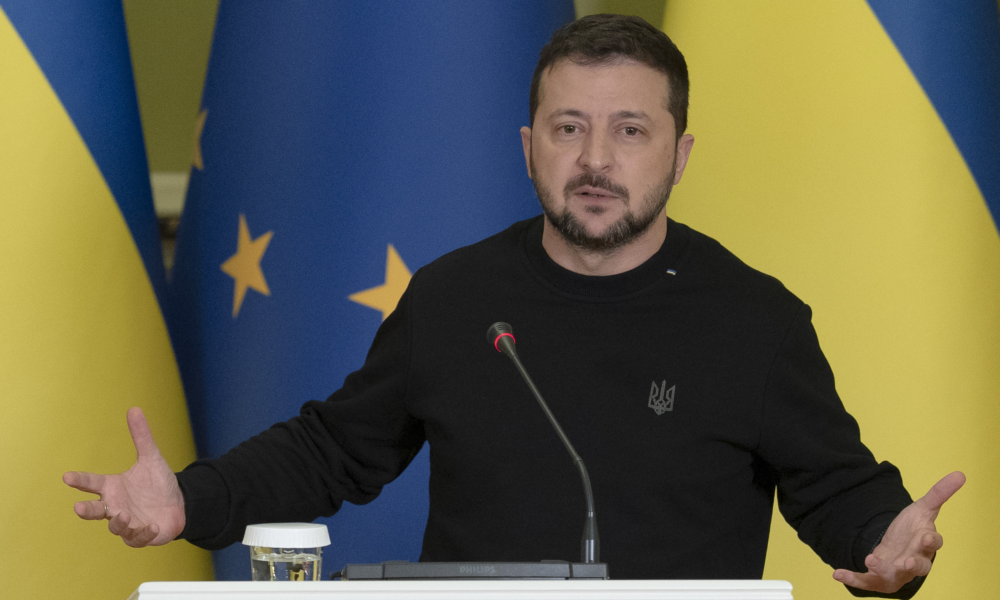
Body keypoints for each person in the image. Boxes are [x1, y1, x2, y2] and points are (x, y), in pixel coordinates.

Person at [63, 14, 963, 598]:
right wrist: (188, 500)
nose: (596, 159)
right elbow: (330, 450)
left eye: (630, 131)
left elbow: (838, 491)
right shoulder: (456, 298)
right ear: (529, 146)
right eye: (570, 129)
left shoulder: (755, 321)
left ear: (680, 155)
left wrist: (888, 544)